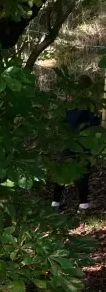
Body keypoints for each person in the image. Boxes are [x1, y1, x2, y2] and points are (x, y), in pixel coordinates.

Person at [52, 75, 100, 212]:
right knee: (82, 172)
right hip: (83, 142)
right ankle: (83, 205)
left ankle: (55, 203)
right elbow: (94, 123)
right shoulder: (89, 104)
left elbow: (60, 120)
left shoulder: (68, 101)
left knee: (61, 171)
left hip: (66, 141)